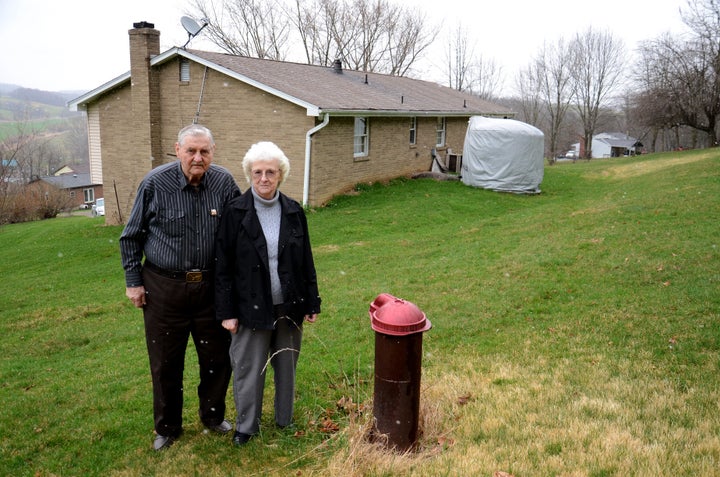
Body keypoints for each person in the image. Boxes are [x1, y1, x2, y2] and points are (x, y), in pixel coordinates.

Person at [119, 124, 241, 451]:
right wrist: (134, 283)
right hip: (163, 290)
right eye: (191, 151)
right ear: (178, 150)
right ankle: (168, 428)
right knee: (165, 363)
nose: (197, 158)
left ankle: (213, 416)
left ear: (213, 152)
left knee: (217, 359)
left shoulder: (225, 183)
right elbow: (130, 238)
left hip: (212, 289)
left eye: (204, 151)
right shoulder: (155, 184)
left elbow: (240, 234)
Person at [215, 141, 321, 446]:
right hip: (249, 307)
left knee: (286, 366)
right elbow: (223, 267)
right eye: (258, 171)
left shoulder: (293, 211)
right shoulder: (235, 212)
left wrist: (311, 301)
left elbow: (306, 261)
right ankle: (246, 428)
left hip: (289, 305)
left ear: (280, 175)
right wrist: (227, 312)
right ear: (249, 174)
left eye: (270, 172)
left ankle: (284, 419)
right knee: (249, 369)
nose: (264, 178)